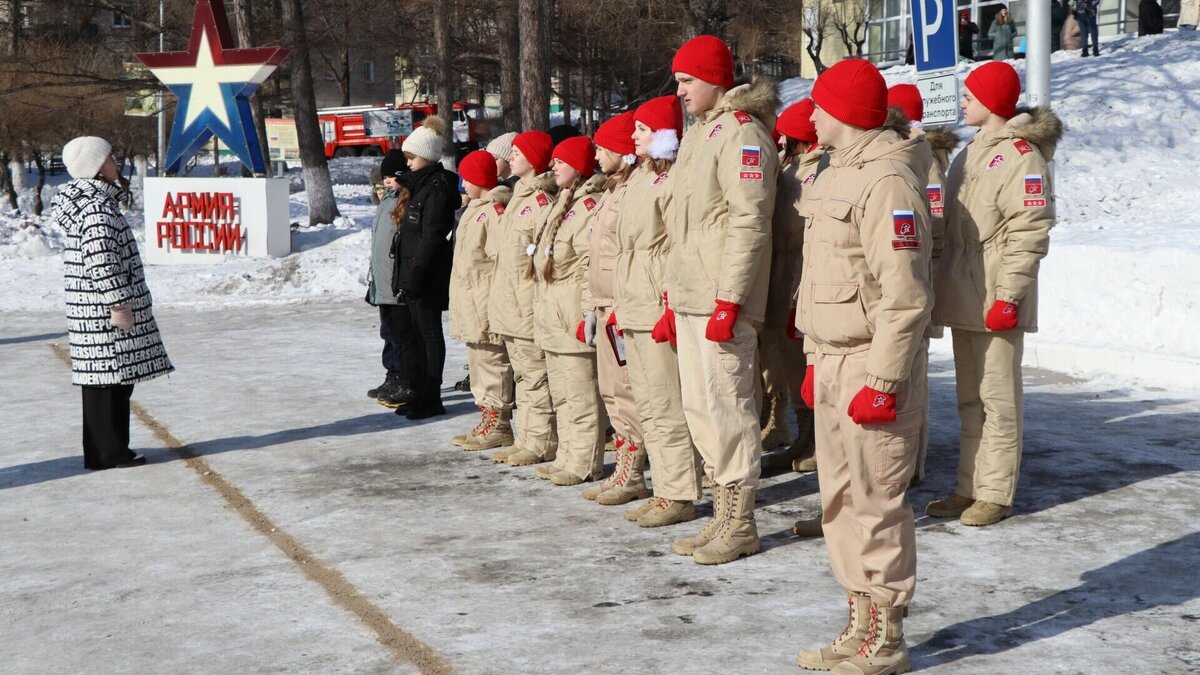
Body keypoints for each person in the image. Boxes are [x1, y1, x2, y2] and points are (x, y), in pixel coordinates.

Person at [790, 59, 933, 675]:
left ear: (844, 111)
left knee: (877, 502)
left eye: (820, 105)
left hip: (871, 365)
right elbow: (824, 279)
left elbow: (905, 297)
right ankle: (858, 622)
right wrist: (812, 353)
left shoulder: (889, 183)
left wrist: (882, 380)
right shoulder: (833, 174)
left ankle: (888, 636)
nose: (812, 116)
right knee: (839, 500)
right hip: (832, 360)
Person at [927, 61, 1062, 527]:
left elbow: (1030, 231)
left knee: (999, 401)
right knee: (970, 400)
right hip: (966, 291)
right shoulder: (970, 152)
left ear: (995, 102)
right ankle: (968, 487)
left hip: (996, 294)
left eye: (971, 94)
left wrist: (1009, 296)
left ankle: (996, 492)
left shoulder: (1023, 155)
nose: (963, 101)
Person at [662, 35, 779, 565]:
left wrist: (730, 299)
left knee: (729, 404)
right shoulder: (700, 135)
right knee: (700, 407)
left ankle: (741, 521)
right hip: (692, 296)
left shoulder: (741, 134)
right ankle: (720, 512)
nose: (680, 90)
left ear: (715, 79)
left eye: (688, 80)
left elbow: (749, 221)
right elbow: (684, 227)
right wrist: (673, 296)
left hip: (721, 300)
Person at [52, 136, 173, 470]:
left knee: (109, 383)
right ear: (95, 167)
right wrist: (119, 303)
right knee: (108, 383)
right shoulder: (95, 209)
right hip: (103, 314)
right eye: (109, 158)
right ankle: (109, 452)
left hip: (94, 312)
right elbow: (101, 261)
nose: (115, 163)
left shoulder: (94, 202)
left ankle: (108, 449)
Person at [618, 95, 704, 528]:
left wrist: (668, 303)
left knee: (668, 402)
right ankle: (664, 487)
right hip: (633, 300)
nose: (634, 136)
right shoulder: (638, 178)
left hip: (654, 302)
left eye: (643, 129)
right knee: (648, 402)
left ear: (665, 135)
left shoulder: (673, 181)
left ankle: (681, 491)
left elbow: (675, 246)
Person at [885, 83, 961, 489]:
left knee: (913, 377)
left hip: (919, 276)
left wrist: (923, 273)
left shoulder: (923, 154)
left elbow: (932, 219)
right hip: (916, 274)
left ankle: (913, 461)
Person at [579, 110, 652, 506]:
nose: (596, 153)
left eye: (603, 146)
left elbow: (628, 254)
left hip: (623, 304)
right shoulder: (611, 189)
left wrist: (618, 303)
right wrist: (593, 306)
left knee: (626, 392)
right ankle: (624, 466)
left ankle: (633, 472)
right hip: (606, 305)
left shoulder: (629, 191)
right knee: (612, 391)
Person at [530, 136, 609, 486]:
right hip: (551, 311)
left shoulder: (589, 205)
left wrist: (584, 314)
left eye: (560, 162)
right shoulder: (562, 201)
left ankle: (584, 461)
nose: (552, 167)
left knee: (581, 396)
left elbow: (587, 266)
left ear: (577, 166)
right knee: (562, 395)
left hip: (569, 314)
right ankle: (566, 453)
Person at [488, 130, 560, 467]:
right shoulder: (518, 197)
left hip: (526, 305)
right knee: (522, 377)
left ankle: (541, 441)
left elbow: (541, 261)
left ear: (533, 160)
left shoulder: (540, 203)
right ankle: (526, 438)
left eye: (518, 152)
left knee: (535, 377)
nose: (511, 157)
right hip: (510, 305)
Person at [760, 97, 821, 476]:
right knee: (787, 363)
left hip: (799, 272)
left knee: (803, 361)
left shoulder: (815, 170)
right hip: (782, 273)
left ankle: (814, 438)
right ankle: (802, 434)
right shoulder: (791, 169)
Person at [389, 116, 459, 420]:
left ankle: (432, 395)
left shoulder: (437, 188)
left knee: (429, 335)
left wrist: (417, 273)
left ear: (428, 157)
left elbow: (432, 237)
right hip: (411, 272)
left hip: (426, 275)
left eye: (412, 157)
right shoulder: (418, 185)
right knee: (415, 335)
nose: (408, 163)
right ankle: (420, 391)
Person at [448, 149, 516, 450]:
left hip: (485, 301)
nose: (462, 184)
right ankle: (486, 414)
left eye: (467, 178)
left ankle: (499, 421)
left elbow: (501, 260)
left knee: (492, 363)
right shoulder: (474, 209)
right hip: (469, 301)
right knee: (477, 363)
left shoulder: (493, 213)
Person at [366, 150, 416, 409]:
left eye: (391, 178)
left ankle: (404, 377)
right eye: (383, 178)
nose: (386, 183)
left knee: (401, 335)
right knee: (388, 333)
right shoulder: (386, 201)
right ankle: (392, 374)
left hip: (396, 283)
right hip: (382, 283)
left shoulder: (405, 202)